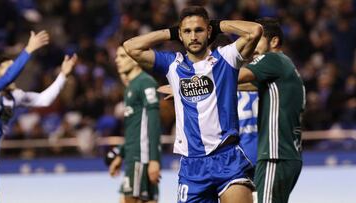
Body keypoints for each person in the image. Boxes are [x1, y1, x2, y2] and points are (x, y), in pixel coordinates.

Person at [123, 6, 263, 203]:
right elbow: (131, 47)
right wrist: (171, 32)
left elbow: (255, 31)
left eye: (199, 30)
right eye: (187, 31)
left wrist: (219, 25)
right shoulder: (172, 64)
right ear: (180, 35)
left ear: (208, 32)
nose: (193, 36)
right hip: (192, 166)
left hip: (227, 158)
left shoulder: (225, 58)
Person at [0, 31, 78, 203]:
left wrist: (62, 75)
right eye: (9, 67)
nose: (15, 74)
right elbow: (9, 76)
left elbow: (43, 99)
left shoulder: (13, 96)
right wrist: (29, 49)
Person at [238, 18, 305, 203]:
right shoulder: (284, 68)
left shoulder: (272, 59)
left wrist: (194, 82)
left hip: (275, 155)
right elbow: (244, 86)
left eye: (257, 40)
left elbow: (235, 77)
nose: (252, 47)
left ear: (274, 41)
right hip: (288, 154)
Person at [107, 46, 162, 203]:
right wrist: (122, 154)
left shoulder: (146, 83)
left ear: (136, 59)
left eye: (123, 56)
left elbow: (153, 122)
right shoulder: (131, 86)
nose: (117, 60)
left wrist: (154, 159)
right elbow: (134, 127)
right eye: (117, 56)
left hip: (141, 157)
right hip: (133, 156)